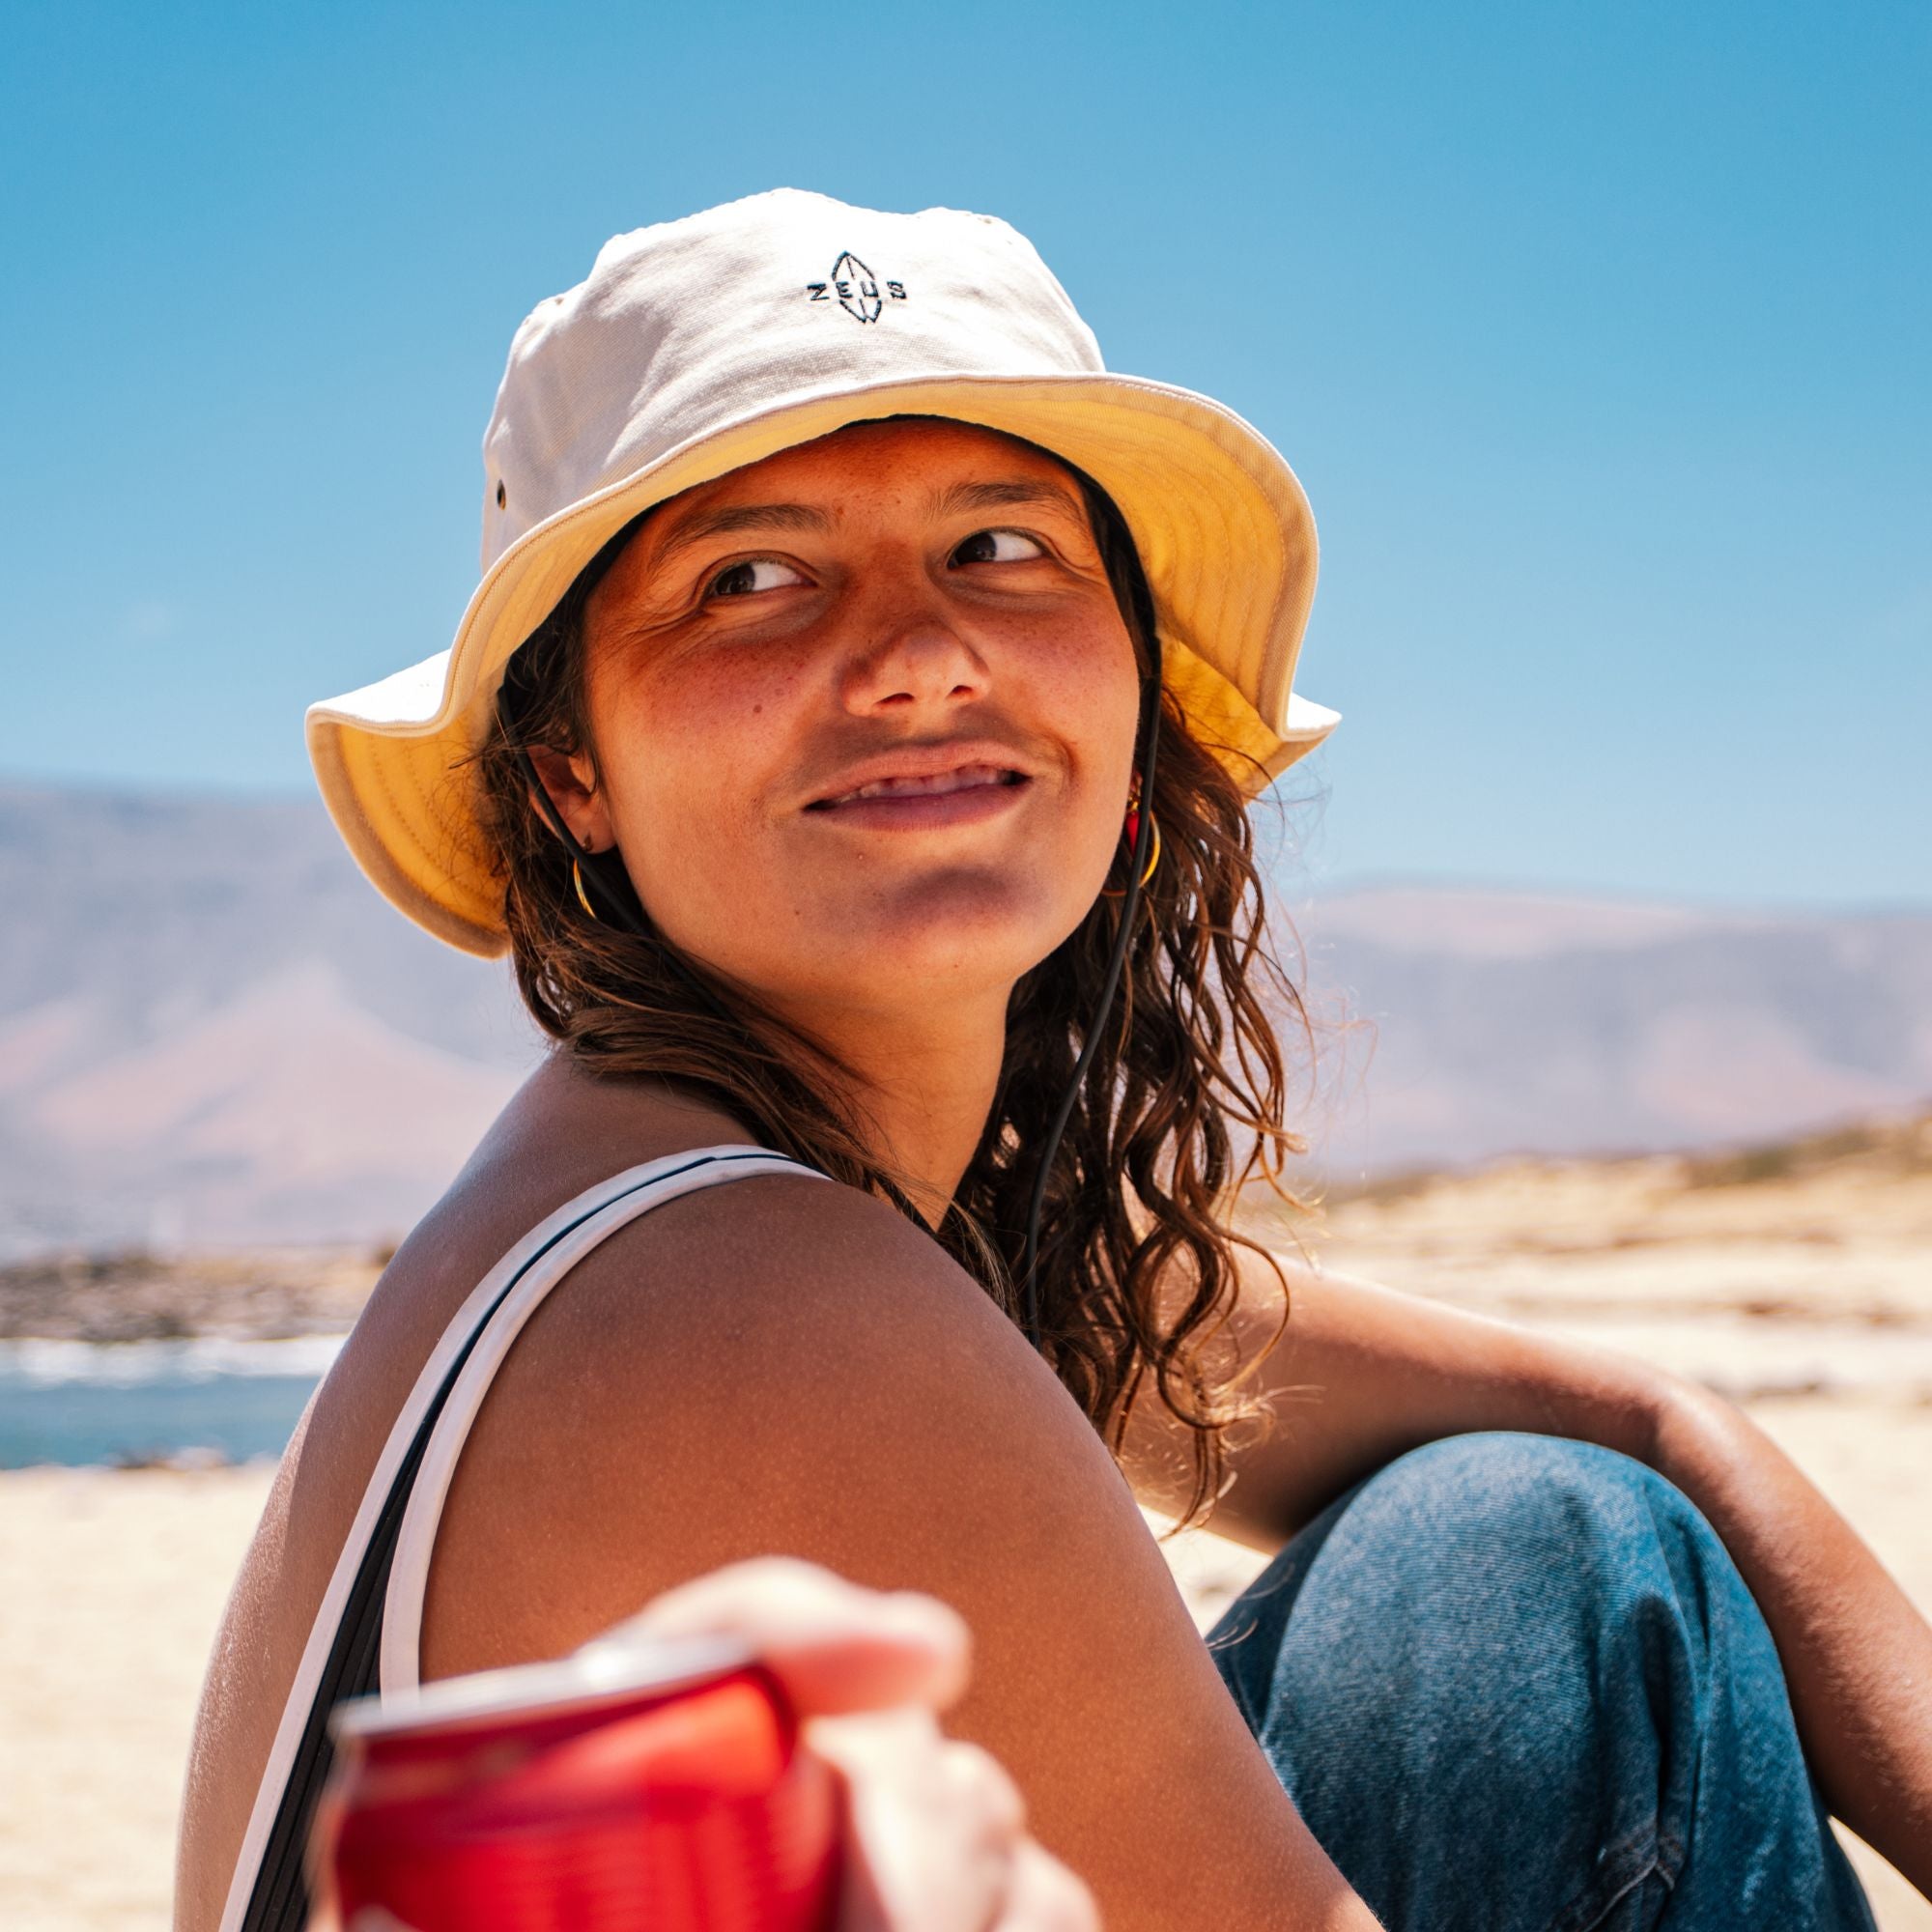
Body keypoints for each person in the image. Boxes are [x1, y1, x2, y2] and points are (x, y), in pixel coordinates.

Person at [177, 190, 1930, 1932]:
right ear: (569, 766)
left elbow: (1649, 1423)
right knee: (1536, 1558)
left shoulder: (788, 1219)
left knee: (1518, 1550)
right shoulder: (747, 1292)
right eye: (752, 579)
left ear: (1133, 676)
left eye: (1001, 549)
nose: (925, 657)